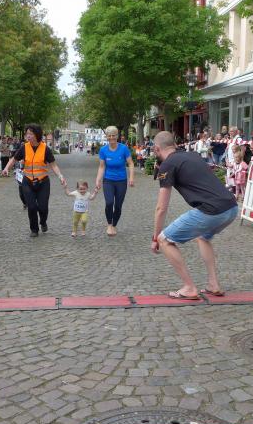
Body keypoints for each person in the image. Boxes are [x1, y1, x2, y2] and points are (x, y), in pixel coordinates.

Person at [151, 131, 239, 300]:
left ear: (156, 149)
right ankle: (213, 284)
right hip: (231, 207)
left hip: (211, 210)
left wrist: (155, 237)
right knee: (203, 237)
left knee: (164, 240)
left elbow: (161, 208)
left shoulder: (167, 165)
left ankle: (189, 288)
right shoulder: (192, 155)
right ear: (174, 144)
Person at [2, 124, 66, 237]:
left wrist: (60, 176)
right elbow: (14, 159)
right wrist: (6, 168)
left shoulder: (45, 149)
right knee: (31, 207)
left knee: (43, 207)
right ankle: (34, 229)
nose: (28, 136)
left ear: (37, 135)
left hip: (43, 182)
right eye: (27, 134)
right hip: (28, 182)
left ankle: (43, 222)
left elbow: (53, 165)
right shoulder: (24, 147)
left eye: (31, 134)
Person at [94, 125, 135, 237]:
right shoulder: (103, 150)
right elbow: (102, 166)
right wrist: (98, 180)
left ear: (117, 136)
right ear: (106, 137)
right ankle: (109, 224)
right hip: (108, 180)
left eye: (113, 135)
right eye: (109, 136)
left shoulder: (123, 149)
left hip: (121, 180)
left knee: (118, 205)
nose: (111, 138)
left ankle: (114, 225)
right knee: (109, 202)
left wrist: (131, 178)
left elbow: (131, 163)